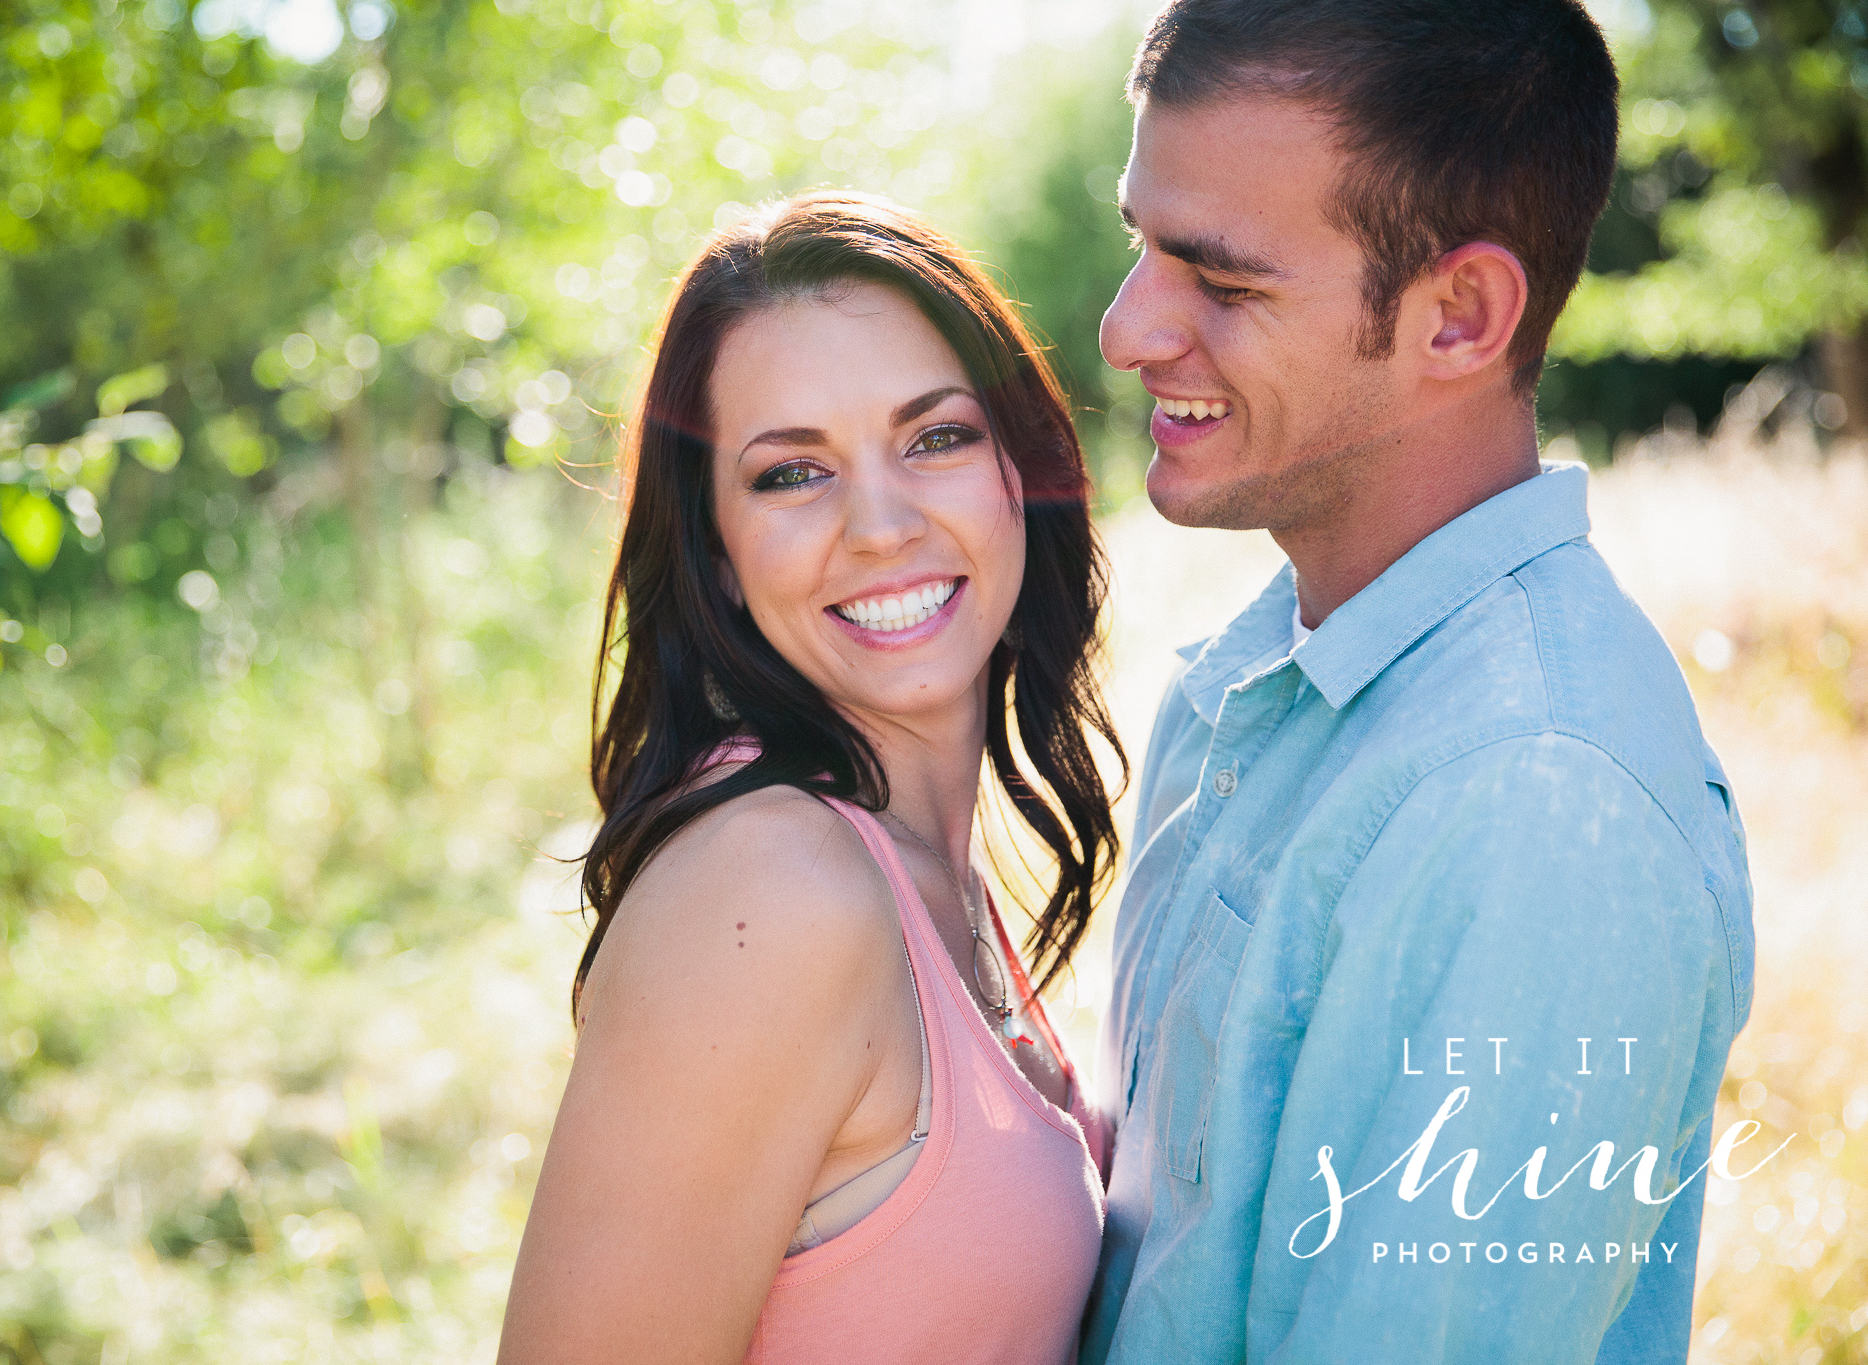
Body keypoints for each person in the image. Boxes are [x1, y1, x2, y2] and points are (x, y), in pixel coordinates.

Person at [1085, 2, 1755, 1362]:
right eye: (1141, 246)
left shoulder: (1530, 807)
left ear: (1458, 317)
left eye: (1221, 280)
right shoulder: (1258, 677)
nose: (1125, 329)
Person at [499, 192, 1123, 1364]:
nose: (880, 525)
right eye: (792, 474)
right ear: (718, 556)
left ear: (1017, 475)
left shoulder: (910, 848)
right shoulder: (773, 891)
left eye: (935, 437)